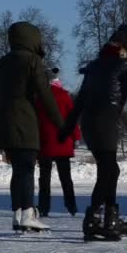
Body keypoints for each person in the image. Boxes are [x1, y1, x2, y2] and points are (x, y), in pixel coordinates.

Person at [59, 24, 127, 241]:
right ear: (126, 49)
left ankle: (108, 218)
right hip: (105, 123)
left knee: (109, 170)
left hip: (90, 125)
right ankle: (94, 220)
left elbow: (79, 101)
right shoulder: (123, 67)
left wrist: (66, 128)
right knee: (109, 170)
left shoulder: (94, 67)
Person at [0, 21, 63, 232]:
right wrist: (61, 124)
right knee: (27, 167)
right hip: (24, 120)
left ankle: (17, 214)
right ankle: (28, 212)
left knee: (17, 170)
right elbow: (45, 95)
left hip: (3, 121)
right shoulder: (32, 61)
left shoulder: (2, 63)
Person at [36, 67, 80, 217]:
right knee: (66, 177)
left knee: (44, 178)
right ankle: (71, 206)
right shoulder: (64, 96)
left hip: (45, 141)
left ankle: (43, 207)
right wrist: (76, 137)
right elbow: (71, 118)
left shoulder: (39, 97)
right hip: (63, 141)